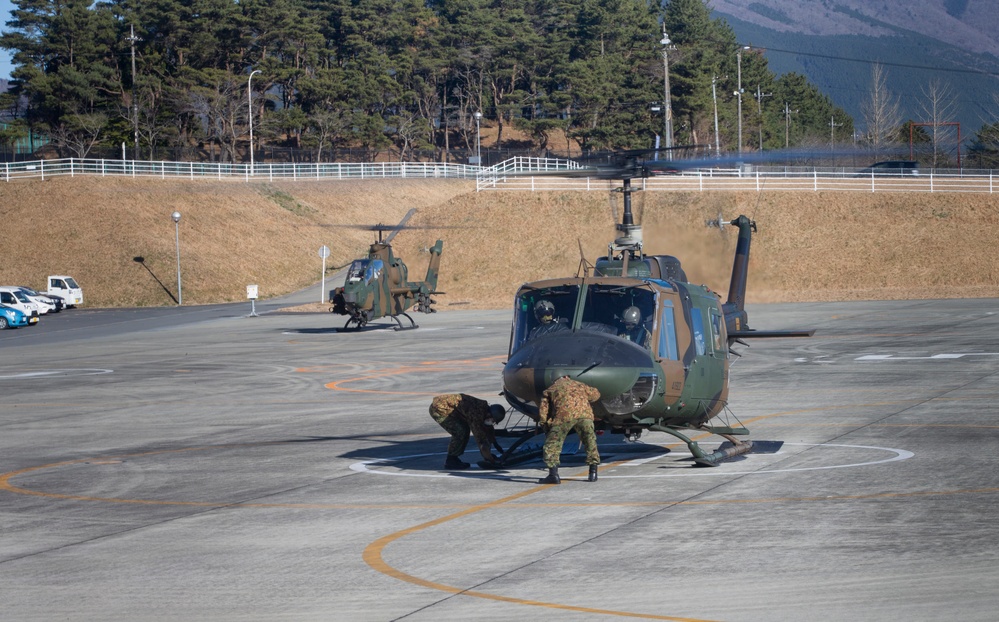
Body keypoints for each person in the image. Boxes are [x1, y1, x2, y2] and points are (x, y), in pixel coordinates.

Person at [536, 376, 601, 484]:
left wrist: (545, 426)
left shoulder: (551, 389)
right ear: (567, 377)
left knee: (552, 445)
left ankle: (553, 475)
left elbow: (543, 411)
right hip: (585, 417)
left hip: (563, 417)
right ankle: (593, 473)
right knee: (590, 442)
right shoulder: (580, 385)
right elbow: (595, 395)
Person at [429, 394, 506, 469]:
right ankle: (451, 460)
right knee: (460, 431)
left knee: (464, 429)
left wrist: (495, 443)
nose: (491, 422)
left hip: (447, 407)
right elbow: (480, 438)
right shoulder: (476, 413)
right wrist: (489, 459)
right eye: (493, 420)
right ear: (490, 414)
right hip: (439, 409)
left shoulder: (484, 410)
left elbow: (488, 429)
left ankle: (453, 459)